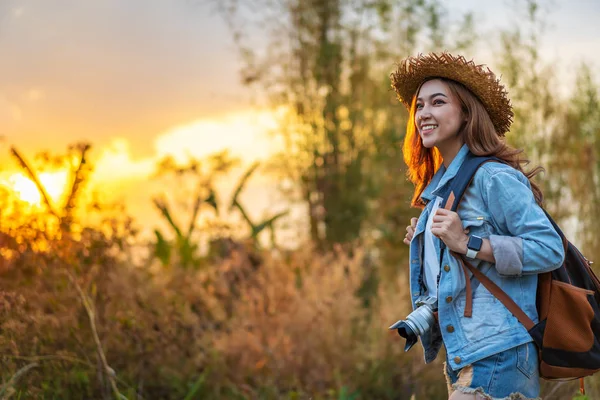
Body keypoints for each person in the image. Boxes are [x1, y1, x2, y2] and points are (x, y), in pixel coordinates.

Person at [389, 53, 565, 400]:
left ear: (466, 112)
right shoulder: (442, 189)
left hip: (498, 352)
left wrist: (467, 242)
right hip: (467, 353)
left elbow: (549, 248)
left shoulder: (493, 176)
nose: (424, 113)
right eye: (419, 105)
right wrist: (428, 245)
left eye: (438, 102)